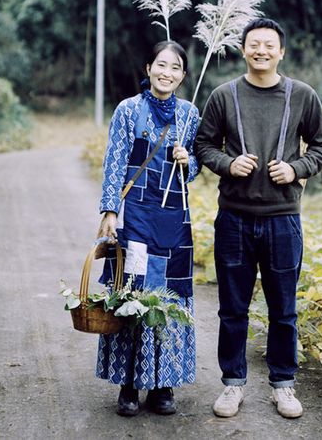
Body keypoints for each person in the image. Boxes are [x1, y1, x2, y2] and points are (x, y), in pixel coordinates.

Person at [195, 18, 322, 420]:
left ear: (281, 52)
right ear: (243, 50)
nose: (261, 50)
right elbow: (204, 145)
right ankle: (232, 384)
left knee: (284, 309)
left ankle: (283, 385)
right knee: (232, 308)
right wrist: (227, 163)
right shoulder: (224, 96)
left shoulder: (302, 96)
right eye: (254, 44)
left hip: (282, 220)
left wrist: (297, 169)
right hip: (234, 219)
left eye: (269, 45)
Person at [95, 40, 200, 417]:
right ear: (148, 68)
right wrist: (109, 211)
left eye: (174, 67)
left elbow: (199, 167)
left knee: (169, 298)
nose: (166, 72)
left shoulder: (190, 115)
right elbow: (114, 161)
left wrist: (188, 160)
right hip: (134, 216)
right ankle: (128, 383)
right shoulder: (128, 110)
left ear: (183, 76)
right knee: (132, 292)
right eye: (160, 65)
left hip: (174, 219)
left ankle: (163, 385)